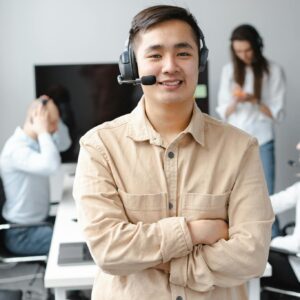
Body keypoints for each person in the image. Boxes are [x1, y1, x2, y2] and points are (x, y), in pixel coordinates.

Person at [73, 5, 273, 300]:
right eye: (155, 55)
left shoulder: (240, 148)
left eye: (183, 53)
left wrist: (159, 260)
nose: (169, 66)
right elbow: (108, 251)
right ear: (132, 66)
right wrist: (193, 233)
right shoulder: (99, 148)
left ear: (199, 61)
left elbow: (252, 255)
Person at [216, 24, 286, 238]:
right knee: (235, 195)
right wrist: (237, 100)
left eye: (247, 50)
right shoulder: (229, 71)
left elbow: (278, 113)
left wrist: (255, 100)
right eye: (238, 52)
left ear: (257, 47)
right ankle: (241, 238)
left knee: (267, 195)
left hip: (263, 139)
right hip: (235, 140)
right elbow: (223, 111)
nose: (243, 55)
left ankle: (273, 243)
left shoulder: (273, 71)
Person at [0, 96, 71, 255]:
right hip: (21, 233)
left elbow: (65, 144)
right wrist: (43, 131)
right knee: (72, 238)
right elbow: (52, 166)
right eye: (52, 123)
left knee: (78, 227)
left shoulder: (37, 143)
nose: (56, 128)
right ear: (36, 119)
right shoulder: (16, 150)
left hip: (40, 224)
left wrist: (54, 117)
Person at [261, 142, 300, 296]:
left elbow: (297, 245)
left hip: (296, 266)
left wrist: (272, 242)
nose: (297, 146)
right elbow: (270, 204)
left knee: (247, 264)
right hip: (293, 258)